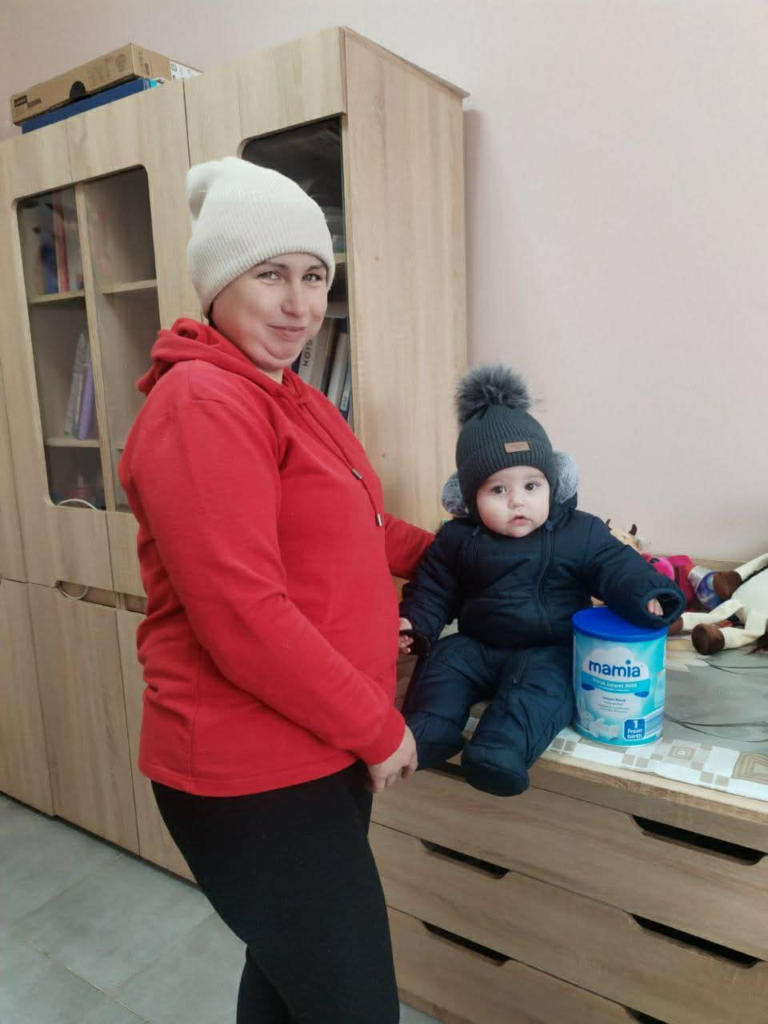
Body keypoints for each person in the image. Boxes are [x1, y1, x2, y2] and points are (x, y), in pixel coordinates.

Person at [118, 156, 434, 1024]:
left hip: (314, 746)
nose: (299, 305)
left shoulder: (294, 396)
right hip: (246, 771)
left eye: (315, 276)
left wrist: (472, 552)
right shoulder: (204, 403)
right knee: (353, 1006)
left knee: (293, 985)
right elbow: (244, 616)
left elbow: (364, 533)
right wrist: (378, 725)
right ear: (218, 283)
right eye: (270, 275)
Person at [398, 364, 685, 797]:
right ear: (469, 499)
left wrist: (647, 594)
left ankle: (500, 750)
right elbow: (434, 589)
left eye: (532, 486)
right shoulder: (457, 539)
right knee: (443, 662)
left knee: (546, 687)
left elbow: (615, 564)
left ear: (554, 483)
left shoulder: (579, 531)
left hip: (548, 647)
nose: (518, 501)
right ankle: (429, 732)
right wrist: (414, 626)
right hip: (478, 643)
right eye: (498, 490)